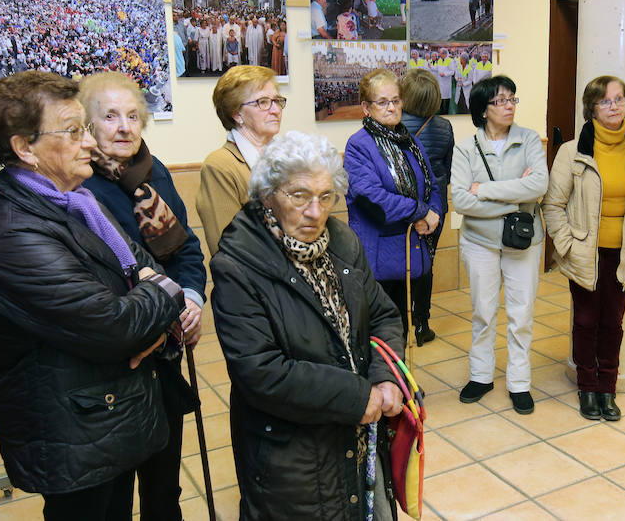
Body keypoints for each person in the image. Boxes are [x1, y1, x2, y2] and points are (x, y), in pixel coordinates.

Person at [0, 71, 184, 520]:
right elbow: (117, 325)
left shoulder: (78, 201)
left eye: (84, 130)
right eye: (73, 132)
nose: (89, 143)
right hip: (72, 434)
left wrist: (153, 297)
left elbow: (152, 269)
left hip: (108, 412)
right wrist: (158, 302)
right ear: (24, 148)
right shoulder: (15, 235)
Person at [210, 131, 404, 520]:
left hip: (360, 440)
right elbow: (261, 372)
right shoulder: (239, 265)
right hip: (293, 461)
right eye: (299, 196)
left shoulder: (342, 241)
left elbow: (382, 314)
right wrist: (355, 396)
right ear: (268, 195)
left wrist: (385, 377)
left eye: (326, 196)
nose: (316, 212)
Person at [78, 71, 206, 519]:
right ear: (87, 126)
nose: (124, 126)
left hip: (165, 360)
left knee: (163, 489)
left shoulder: (157, 173)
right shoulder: (78, 187)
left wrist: (191, 297)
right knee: (112, 499)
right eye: (109, 116)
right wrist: (165, 304)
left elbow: (187, 248)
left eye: (133, 115)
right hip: (117, 363)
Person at [543, 75, 625, 420]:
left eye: (619, 99)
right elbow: (553, 205)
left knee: (613, 321)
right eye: (606, 101)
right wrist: (567, 245)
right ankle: (586, 386)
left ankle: (606, 388)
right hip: (585, 253)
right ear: (592, 109)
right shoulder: (572, 151)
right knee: (585, 320)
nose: (614, 107)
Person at [451, 75, 548, 415]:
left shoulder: (530, 139)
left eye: (512, 99)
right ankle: (481, 375)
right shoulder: (465, 147)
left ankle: (519, 382)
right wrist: (515, 200)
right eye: (500, 101)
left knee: (521, 314)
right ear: (483, 109)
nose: (509, 106)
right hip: (479, 242)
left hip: (523, 242)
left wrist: (487, 190)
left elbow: (538, 186)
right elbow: (461, 200)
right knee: (483, 312)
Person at [344, 69, 443, 345]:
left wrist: (432, 214)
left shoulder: (409, 141)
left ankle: (400, 385)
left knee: (401, 326)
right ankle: (385, 387)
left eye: (396, 100)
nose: (391, 107)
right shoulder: (358, 146)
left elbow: (432, 185)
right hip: (379, 257)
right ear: (366, 107)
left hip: (410, 249)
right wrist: (420, 212)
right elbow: (371, 198)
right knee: (381, 332)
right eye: (383, 102)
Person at [198, 65, 286, 254]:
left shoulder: (288, 157)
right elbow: (228, 250)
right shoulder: (220, 166)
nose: (276, 110)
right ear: (237, 113)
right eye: (263, 102)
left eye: (277, 101)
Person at [401, 68, 455, 345]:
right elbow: (446, 169)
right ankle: (422, 324)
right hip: (435, 207)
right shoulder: (444, 127)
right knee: (425, 263)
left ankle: (401, 325)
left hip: (403, 207)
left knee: (399, 265)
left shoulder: (393, 126)